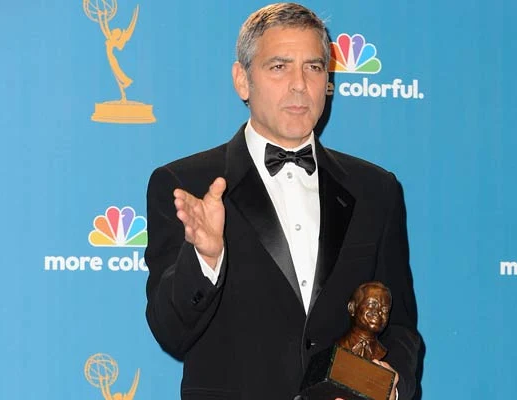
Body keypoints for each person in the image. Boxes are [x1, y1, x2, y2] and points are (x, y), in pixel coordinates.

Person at [144, 3, 422, 399]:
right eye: (279, 67)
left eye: (313, 67)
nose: (299, 84)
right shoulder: (186, 185)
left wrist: (391, 385)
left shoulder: (376, 190)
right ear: (242, 80)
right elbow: (170, 331)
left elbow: (400, 327)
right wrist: (206, 258)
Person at [336, 281, 392, 361]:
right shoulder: (338, 345)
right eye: (372, 305)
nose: (378, 312)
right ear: (352, 307)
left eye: (385, 309)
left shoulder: (385, 355)